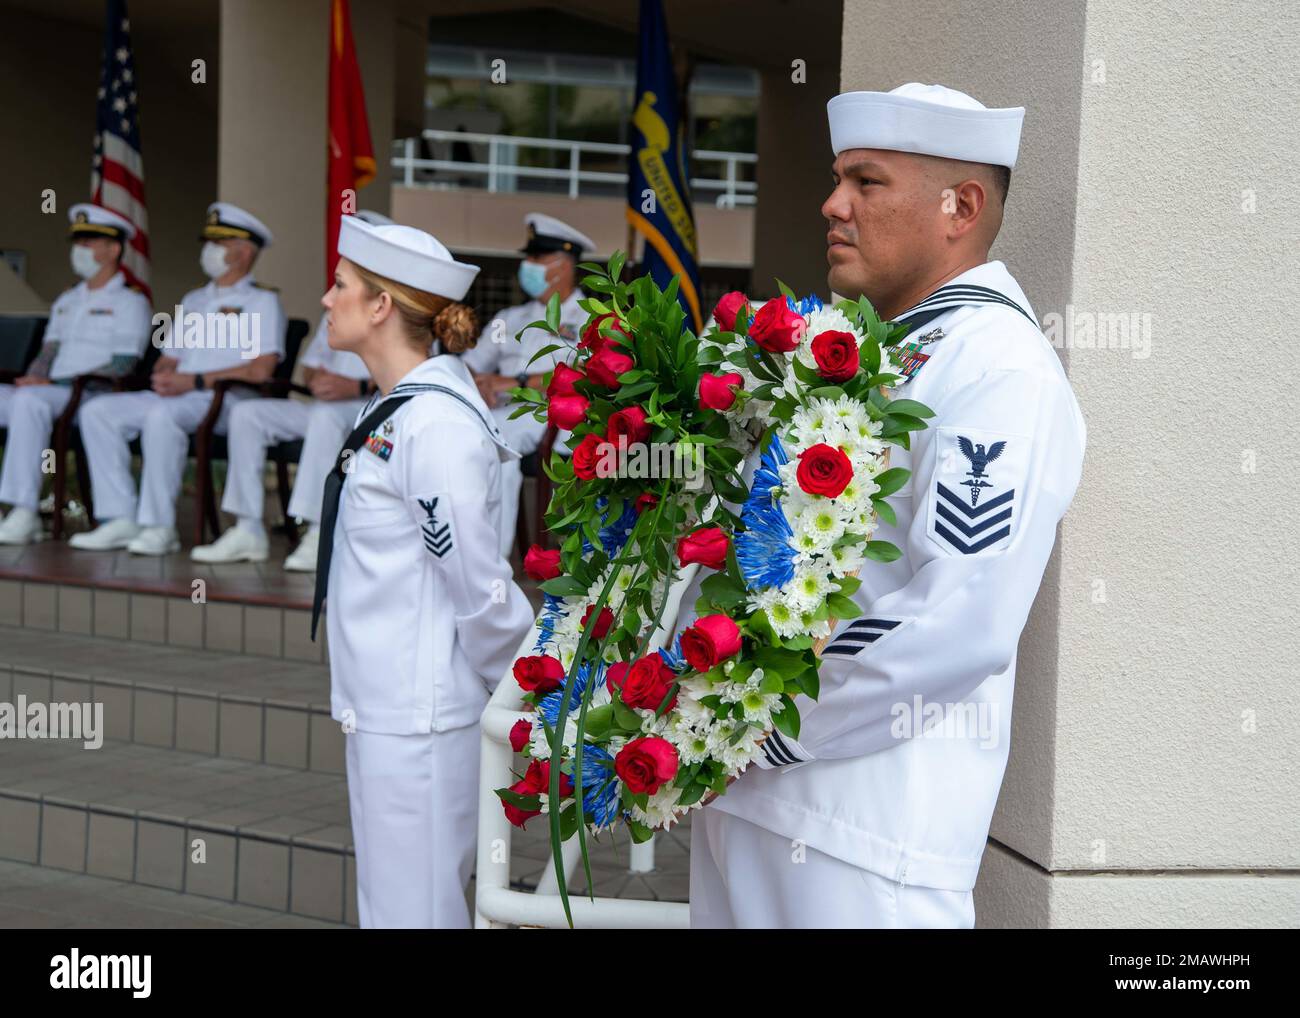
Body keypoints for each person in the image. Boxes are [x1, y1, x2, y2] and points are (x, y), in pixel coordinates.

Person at [686, 83, 1087, 928]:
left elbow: (960, 616)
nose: (833, 205)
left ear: (961, 206)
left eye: (867, 182)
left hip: (861, 836)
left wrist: (766, 724)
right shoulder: (875, 352)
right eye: (839, 179)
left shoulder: (996, 367)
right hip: (756, 803)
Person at [313, 215, 534, 928]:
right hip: (388, 709)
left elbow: (479, 588)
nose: (325, 298)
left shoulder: (432, 424)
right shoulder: (398, 407)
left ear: (380, 305)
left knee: (414, 916)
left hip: (421, 717)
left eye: (340, 285)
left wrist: (518, 693)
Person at [68, 202, 286, 555]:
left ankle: (159, 526)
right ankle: (120, 517)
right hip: (183, 395)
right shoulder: (194, 298)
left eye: (220, 242)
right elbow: (170, 356)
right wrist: (166, 373)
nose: (209, 251)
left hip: (229, 401)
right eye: (210, 242)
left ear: (244, 252)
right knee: (100, 411)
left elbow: (260, 370)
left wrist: (195, 381)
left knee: (162, 416)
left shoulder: (262, 301)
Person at [190, 210, 391, 570]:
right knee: (247, 413)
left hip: (377, 411)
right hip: (328, 407)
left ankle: (319, 531)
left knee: (326, 417)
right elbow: (313, 362)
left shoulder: (396, 305)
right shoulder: (340, 300)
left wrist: (356, 384)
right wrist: (318, 381)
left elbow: (413, 368)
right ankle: (248, 527)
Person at [0, 204, 150, 545]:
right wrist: (33, 375)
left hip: (94, 392)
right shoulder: (68, 299)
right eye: (78, 241)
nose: (79, 249)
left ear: (113, 249)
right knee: (22, 397)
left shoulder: (130, 302)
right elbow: (49, 351)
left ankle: (22, 511)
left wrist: (51, 383)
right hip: (51, 392)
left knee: (29, 402)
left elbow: (123, 365)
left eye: (89, 241)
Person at [462, 212, 590, 555]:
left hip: (549, 415)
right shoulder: (510, 318)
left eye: (536, 258)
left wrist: (512, 383)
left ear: (562, 265)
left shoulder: (591, 318)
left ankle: (489, 555)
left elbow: (581, 377)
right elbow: (468, 365)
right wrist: (480, 384)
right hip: (498, 409)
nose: (528, 266)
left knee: (497, 440)